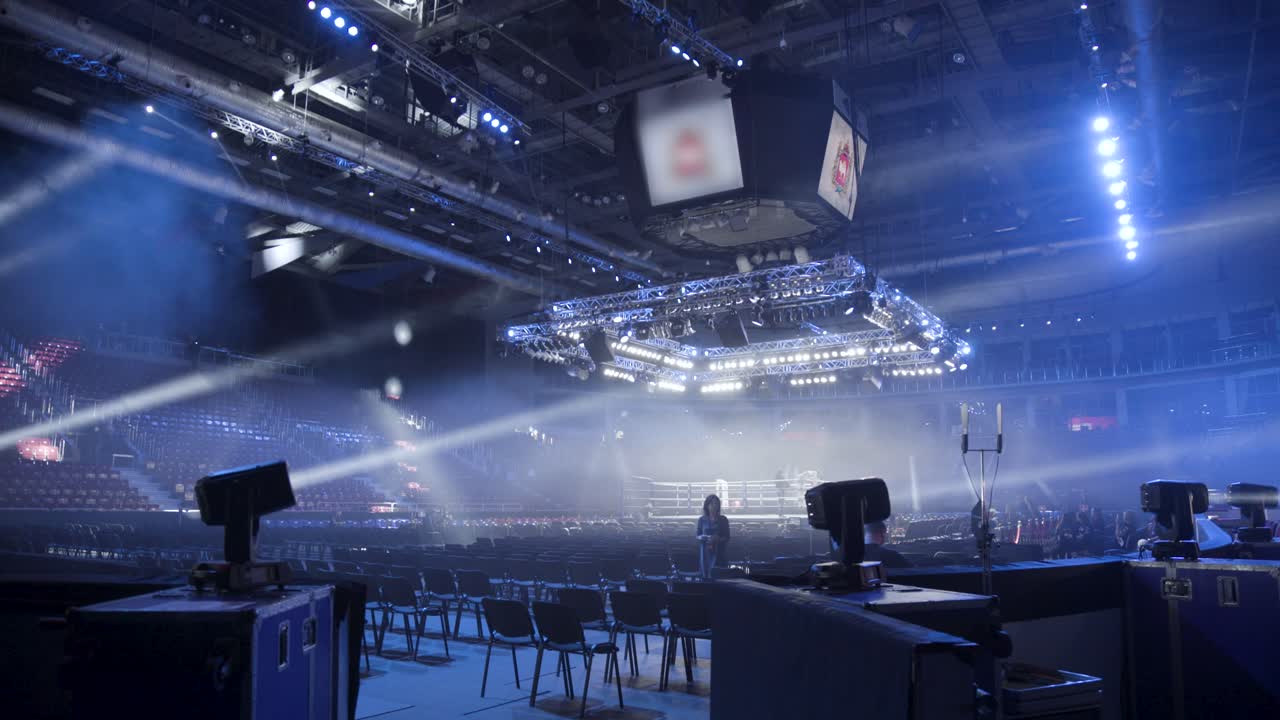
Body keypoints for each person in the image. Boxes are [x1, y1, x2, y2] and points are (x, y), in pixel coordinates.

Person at [696, 494, 730, 578]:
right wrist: (702, 537)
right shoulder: (701, 519)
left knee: (719, 576)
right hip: (705, 552)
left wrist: (717, 539)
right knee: (706, 574)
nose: (714, 506)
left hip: (719, 551)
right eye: (712, 504)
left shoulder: (723, 519)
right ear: (707, 506)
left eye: (716, 504)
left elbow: (727, 537)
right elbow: (697, 535)